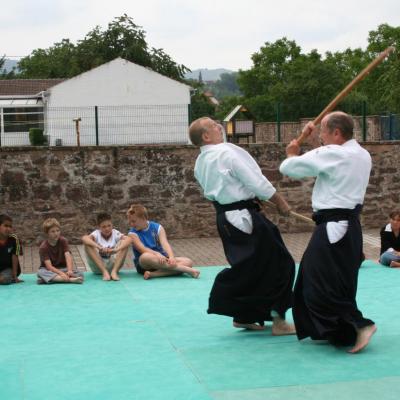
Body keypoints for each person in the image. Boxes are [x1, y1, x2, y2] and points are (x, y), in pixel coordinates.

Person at [280, 111, 376, 353]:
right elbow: (325, 160)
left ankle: (358, 325)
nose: (321, 137)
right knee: (337, 280)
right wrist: (314, 143)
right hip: (348, 227)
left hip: (334, 227)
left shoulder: (334, 153)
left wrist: (293, 152)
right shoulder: (361, 154)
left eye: (323, 132)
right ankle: (331, 330)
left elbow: (289, 168)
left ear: (336, 132)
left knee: (316, 282)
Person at [189, 117, 295, 334]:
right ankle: (279, 322)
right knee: (281, 263)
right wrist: (280, 203)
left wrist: (252, 201)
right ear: (206, 136)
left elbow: (223, 191)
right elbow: (256, 181)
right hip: (242, 218)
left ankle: (243, 316)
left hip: (226, 218)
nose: (219, 126)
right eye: (213, 125)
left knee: (251, 268)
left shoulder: (200, 162)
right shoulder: (226, 153)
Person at [127, 204, 200, 280]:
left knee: (188, 261)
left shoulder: (158, 227)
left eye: (134, 221)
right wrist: (157, 254)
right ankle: (186, 270)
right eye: (130, 222)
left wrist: (171, 257)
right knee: (145, 256)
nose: (131, 224)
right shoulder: (132, 234)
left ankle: (154, 274)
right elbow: (143, 249)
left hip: (163, 261)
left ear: (143, 218)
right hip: (146, 264)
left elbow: (165, 244)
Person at [82, 212, 131, 281]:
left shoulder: (115, 233)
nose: (107, 229)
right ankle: (104, 272)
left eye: (109, 226)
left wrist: (116, 250)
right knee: (87, 244)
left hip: (113, 265)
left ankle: (114, 272)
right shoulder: (96, 233)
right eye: (104, 227)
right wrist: (99, 247)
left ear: (112, 225)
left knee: (124, 242)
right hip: (98, 268)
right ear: (99, 227)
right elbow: (84, 238)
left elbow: (129, 239)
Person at [37, 218, 84, 284]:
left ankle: (51, 279)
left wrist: (70, 270)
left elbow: (68, 256)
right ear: (47, 233)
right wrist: (61, 273)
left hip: (63, 268)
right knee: (40, 272)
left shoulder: (63, 241)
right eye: (52, 231)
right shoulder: (43, 247)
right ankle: (70, 280)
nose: (56, 233)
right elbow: (49, 266)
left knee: (80, 273)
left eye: (58, 230)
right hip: (50, 270)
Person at [0, 214, 23, 285]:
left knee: (5, 279)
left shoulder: (14, 239)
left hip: (8, 269)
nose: (8, 229)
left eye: (10, 226)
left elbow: (15, 257)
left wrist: (15, 274)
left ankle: (9, 278)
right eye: (5, 226)